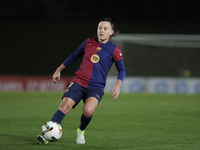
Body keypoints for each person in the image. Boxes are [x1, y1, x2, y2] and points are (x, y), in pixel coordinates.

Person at [37, 17, 125, 144]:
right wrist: (59, 69)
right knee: (64, 106)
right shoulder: (88, 42)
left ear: (111, 32)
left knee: (88, 111)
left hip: (96, 86)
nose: (102, 31)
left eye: (105, 29)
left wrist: (118, 84)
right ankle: (47, 137)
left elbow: (121, 69)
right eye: (100, 28)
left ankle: (81, 131)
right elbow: (74, 56)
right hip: (79, 81)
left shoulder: (114, 49)